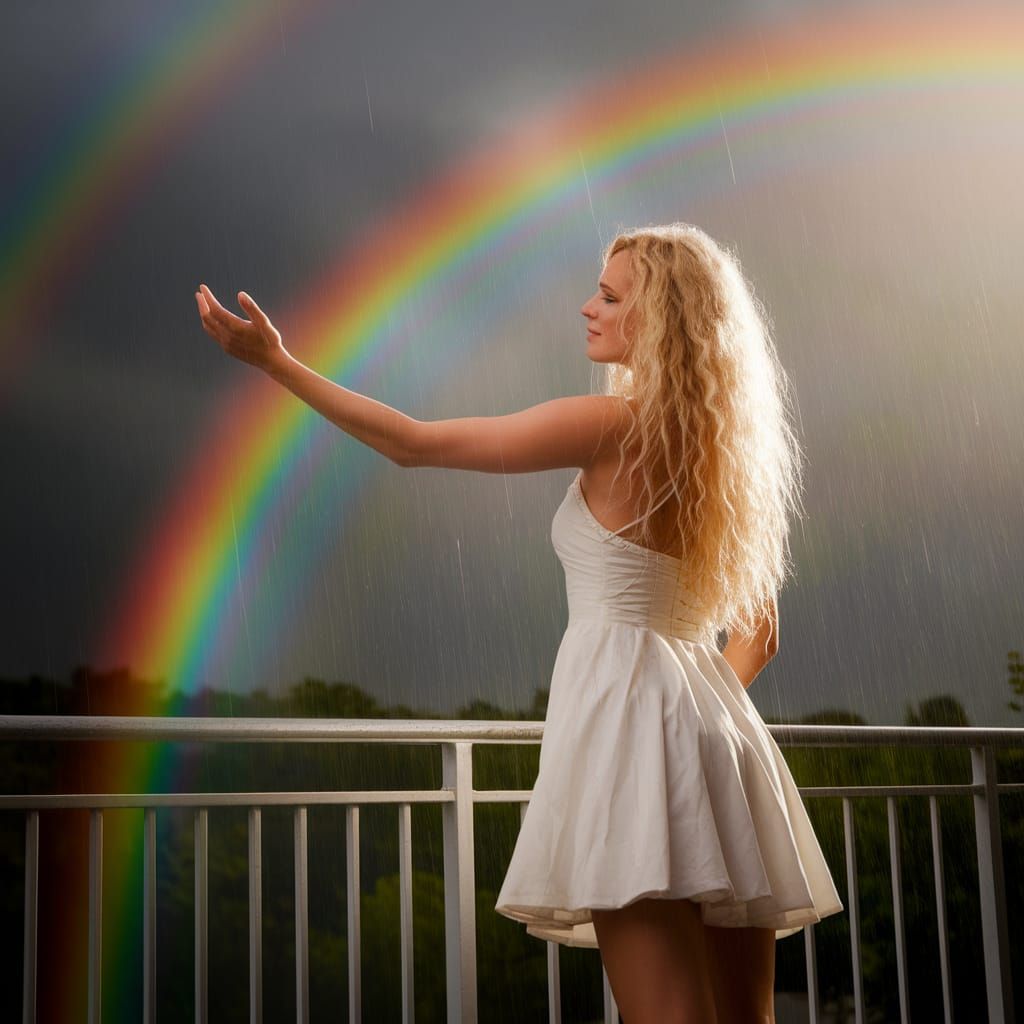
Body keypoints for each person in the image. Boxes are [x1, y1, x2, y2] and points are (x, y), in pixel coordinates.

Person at [195, 222, 844, 1023]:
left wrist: (278, 365)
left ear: (661, 318)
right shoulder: (726, 454)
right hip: (727, 739)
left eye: (608, 296)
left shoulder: (611, 427)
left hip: (635, 741)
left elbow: (412, 446)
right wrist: (688, 721)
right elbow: (760, 635)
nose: (587, 307)